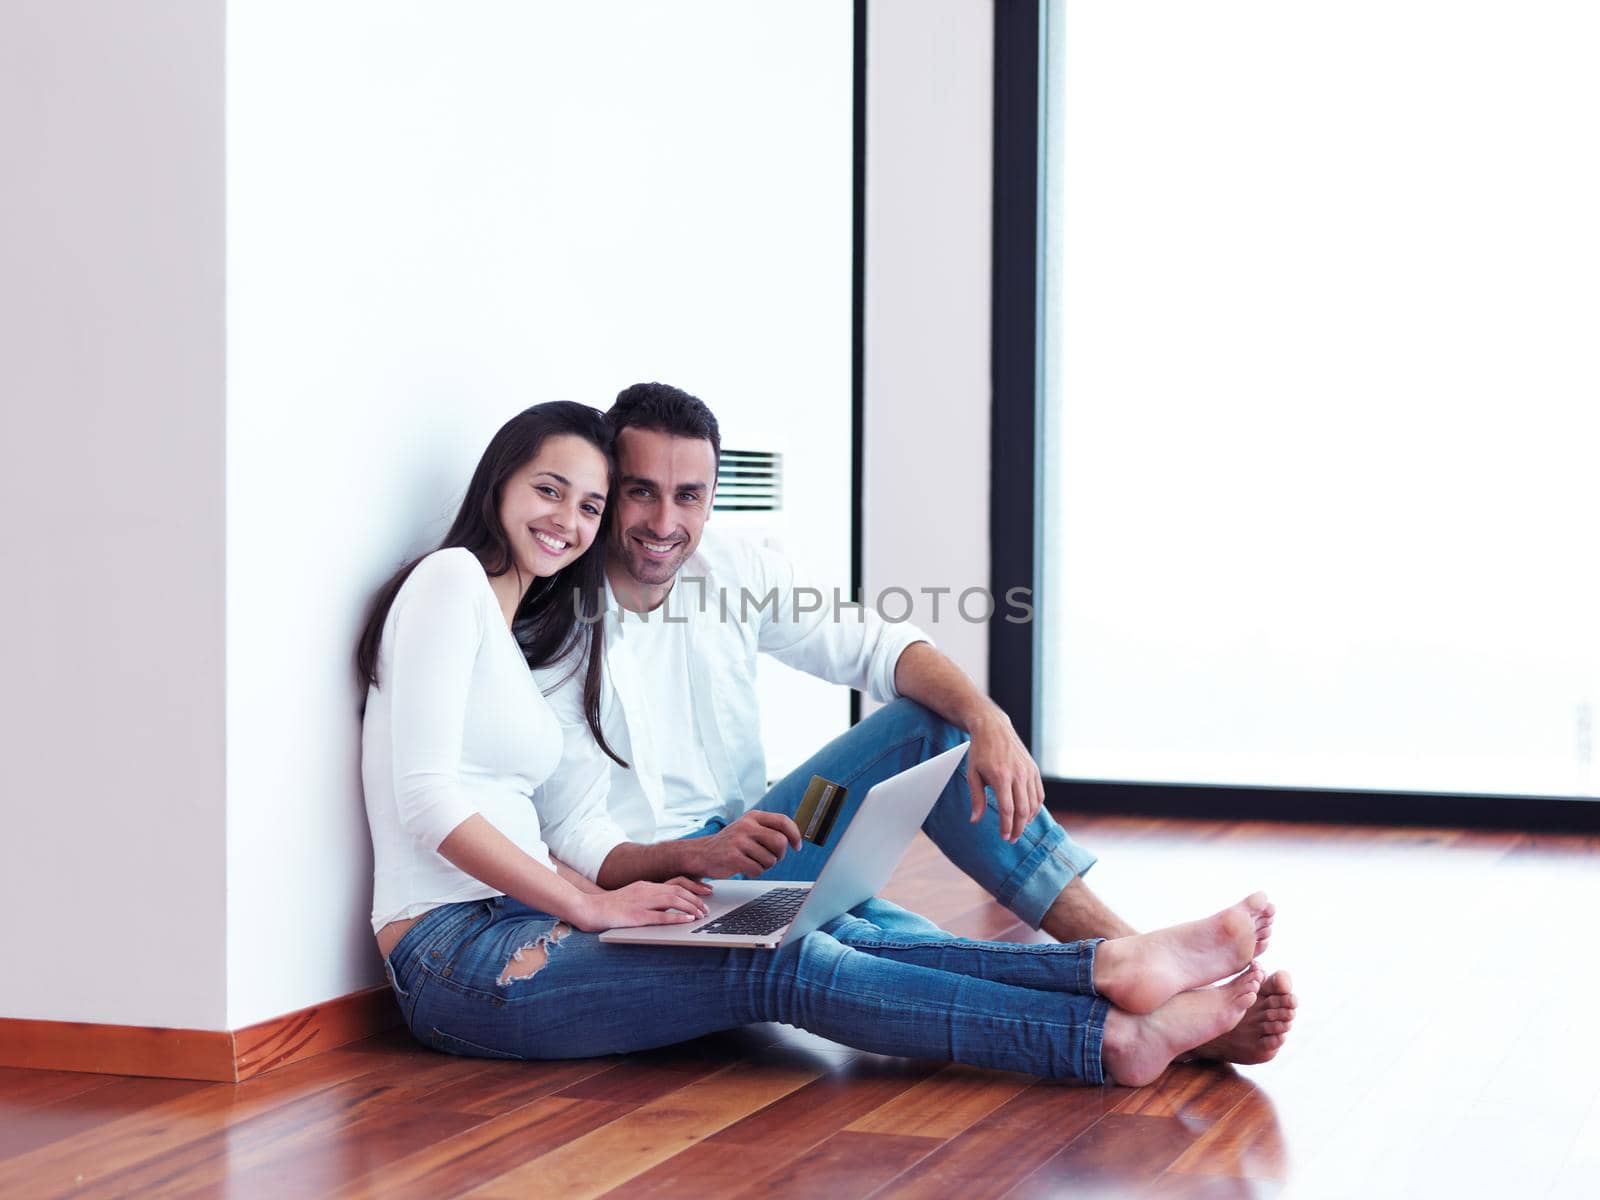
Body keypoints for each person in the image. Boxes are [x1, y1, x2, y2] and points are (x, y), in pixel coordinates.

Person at [357, 400, 1277, 1084]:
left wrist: (990, 718)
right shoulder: (515, 621)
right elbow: (459, 806)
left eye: (683, 496)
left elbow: (561, 815)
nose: (657, 522)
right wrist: (620, 891)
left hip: (727, 846)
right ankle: (1115, 1012)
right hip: (548, 913)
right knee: (840, 939)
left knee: (917, 752)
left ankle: (1121, 965)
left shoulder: (669, 585)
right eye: (626, 495)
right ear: (502, 486)